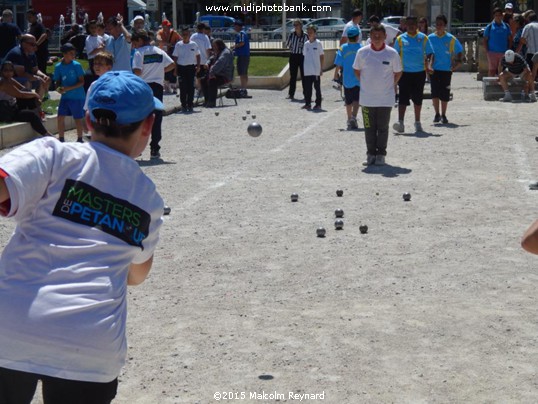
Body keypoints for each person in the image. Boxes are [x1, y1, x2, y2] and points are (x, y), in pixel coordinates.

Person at [0, 70, 163, 403]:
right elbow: (137, 274)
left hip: (12, 325)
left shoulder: (55, 155)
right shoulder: (147, 197)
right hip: (90, 344)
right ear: (147, 126)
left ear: (87, 119)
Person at [353, 25, 402, 166]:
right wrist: (366, 83)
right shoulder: (362, 53)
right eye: (374, 35)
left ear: (385, 36)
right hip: (367, 99)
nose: (377, 38)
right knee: (369, 128)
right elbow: (356, 70)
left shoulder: (392, 53)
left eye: (379, 35)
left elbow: (398, 72)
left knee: (382, 128)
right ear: (370, 37)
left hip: (385, 99)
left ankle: (381, 154)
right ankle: (370, 154)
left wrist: (391, 85)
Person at [132, 29, 175, 158]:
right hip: (157, 87)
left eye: (134, 42)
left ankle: (137, 148)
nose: (133, 46)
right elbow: (172, 64)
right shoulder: (159, 51)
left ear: (140, 40)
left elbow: (137, 71)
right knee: (157, 117)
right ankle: (155, 148)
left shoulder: (139, 53)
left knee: (140, 117)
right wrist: (160, 71)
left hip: (143, 87)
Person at [392, 16, 434, 133]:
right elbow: (394, 55)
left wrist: (429, 65)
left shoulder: (423, 38)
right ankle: (400, 122)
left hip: (419, 73)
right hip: (404, 73)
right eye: (409, 24)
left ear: (417, 25)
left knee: (418, 98)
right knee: (403, 98)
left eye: (413, 24)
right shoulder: (400, 39)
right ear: (405, 25)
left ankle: (417, 122)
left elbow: (430, 53)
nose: (411, 26)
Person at [0, 61, 53, 137]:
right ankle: (46, 134)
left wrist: (34, 96)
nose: (8, 72)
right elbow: (20, 94)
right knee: (31, 115)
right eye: (5, 70)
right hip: (5, 112)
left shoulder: (10, 80)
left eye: (10, 70)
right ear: (1, 72)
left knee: (28, 93)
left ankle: (39, 112)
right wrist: (35, 94)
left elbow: (23, 89)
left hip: (11, 108)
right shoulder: (3, 82)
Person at [428, 14, 463, 124]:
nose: (439, 26)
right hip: (434, 70)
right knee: (434, 93)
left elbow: (460, 51)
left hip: (446, 70)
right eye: (437, 24)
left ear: (445, 26)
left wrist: (457, 63)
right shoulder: (430, 38)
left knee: (445, 93)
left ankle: (444, 114)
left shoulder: (451, 39)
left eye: (441, 24)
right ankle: (436, 114)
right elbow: (426, 53)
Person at [53, 43, 86, 143]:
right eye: (71, 53)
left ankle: (80, 138)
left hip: (77, 96)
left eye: (74, 53)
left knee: (78, 118)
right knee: (60, 117)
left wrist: (68, 88)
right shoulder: (58, 66)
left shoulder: (77, 65)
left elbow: (81, 81)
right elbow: (57, 80)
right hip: (65, 97)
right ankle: (61, 138)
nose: (73, 55)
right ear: (64, 54)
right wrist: (58, 88)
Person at [4, 34, 51, 99]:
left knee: (44, 80)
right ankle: (26, 105)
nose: (35, 47)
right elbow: (21, 74)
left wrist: (43, 76)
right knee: (26, 81)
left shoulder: (31, 53)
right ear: (24, 44)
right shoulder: (17, 53)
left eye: (35, 44)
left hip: (24, 78)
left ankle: (37, 104)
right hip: (9, 80)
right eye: (32, 44)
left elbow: (35, 70)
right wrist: (38, 78)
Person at [334, 26, 361, 129]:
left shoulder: (343, 48)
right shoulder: (361, 47)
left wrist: (335, 74)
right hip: (358, 77)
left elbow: (338, 63)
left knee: (348, 100)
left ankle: (349, 119)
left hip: (347, 78)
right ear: (357, 36)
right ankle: (354, 117)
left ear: (348, 37)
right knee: (356, 99)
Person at [172, 26, 200, 113]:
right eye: (183, 34)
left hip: (191, 68)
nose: (185, 36)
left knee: (191, 87)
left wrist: (198, 66)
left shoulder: (194, 44)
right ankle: (183, 105)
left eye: (187, 34)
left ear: (189, 34)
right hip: (181, 68)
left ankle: (190, 104)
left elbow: (198, 55)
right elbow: (175, 58)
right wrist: (175, 69)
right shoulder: (178, 45)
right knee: (183, 87)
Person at [200, 39, 234, 108]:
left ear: (219, 46)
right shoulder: (219, 52)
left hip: (225, 75)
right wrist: (207, 63)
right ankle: (207, 100)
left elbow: (219, 64)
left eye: (214, 46)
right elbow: (211, 58)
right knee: (203, 80)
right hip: (218, 74)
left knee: (212, 81)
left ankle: (212, 102)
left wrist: (211, 73)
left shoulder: (225, 53)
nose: (213, 48)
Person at [483, 7, 512, 77]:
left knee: (503, 71)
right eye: (496, 15)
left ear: (502, 16)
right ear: (494, 16)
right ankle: (490, 85)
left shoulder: (506, 26)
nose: (498, 17)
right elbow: (485, 40)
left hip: (503, 53)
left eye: (499, 15)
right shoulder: (489, 26)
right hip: (492, 52)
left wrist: (508, 49)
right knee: (492, 70)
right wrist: (487, 51)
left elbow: (510, 39)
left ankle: (501, 86)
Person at [302, 24, 324, 110]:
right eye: (308, 32)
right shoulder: (306, 44)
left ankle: (318, 103)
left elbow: (322, 56)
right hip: (307, 70)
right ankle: (307, 103)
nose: (310, 33)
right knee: (307, 88)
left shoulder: (318, 43)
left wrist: (321, 69)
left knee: (317, 88)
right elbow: (304, 54)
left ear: (315, 33)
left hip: (316, 70)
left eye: (311, 32)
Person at [285, 19, 308, 100]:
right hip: (293, 56)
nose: (295, 27)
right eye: (294, 25)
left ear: (301, 25)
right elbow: (288, 45)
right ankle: (291, 94)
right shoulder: (291, 35)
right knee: (293, 76)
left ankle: (306, 94)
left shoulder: (305, 36)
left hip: (302, 56)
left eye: (297, 25)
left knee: (304, 76)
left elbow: (308, 47)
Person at [156, 20, 181, 94]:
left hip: (172, 54)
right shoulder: (160, 32)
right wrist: (166, 43)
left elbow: (180, 40)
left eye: (169, 26)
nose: (168, 27)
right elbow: (158, 39)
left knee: (173, 69)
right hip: (164, 53)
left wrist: (174, 44)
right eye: (166, 26)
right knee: (165, 70)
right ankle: (167, 87)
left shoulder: (174, 32)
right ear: (163, 26)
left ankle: (174, 87)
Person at [190, 23, 212, 97]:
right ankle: (201, 90)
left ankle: (198, 89)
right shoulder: (205, 37)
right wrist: (209, 58)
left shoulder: (193, 36)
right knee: (202, 76)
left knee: (196, 75)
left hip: (194, 59)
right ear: (203, 29)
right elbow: (208, 49)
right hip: (203, 59)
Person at [26, 9, 48, 76]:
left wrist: (36, 44)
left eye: (30, 17)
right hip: (34, 53)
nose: (28, 19)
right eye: (27, 17)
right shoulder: (31, 26)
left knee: (41, 69)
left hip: (41, 52)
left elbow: (44, 35)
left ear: (35, 16)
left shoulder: (39, 25)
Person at [232, 20, 250, 98]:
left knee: (242, 73)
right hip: (245, 55)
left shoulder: (241, 34)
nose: (234, 28)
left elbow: (242, 43)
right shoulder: (243, 33)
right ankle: (244, 88)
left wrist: (234, 46)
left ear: (238, 26)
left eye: (235, 26)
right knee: (244, 73)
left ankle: (243, 89)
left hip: (242, 55)